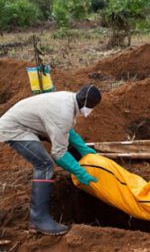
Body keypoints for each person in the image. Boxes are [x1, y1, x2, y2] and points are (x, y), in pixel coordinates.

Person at [0, 85, 102, 235]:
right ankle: (39, 219)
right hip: (15, 129)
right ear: (83, 100)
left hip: (27, 123)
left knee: (45, 163)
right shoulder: (64, 112)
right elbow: (59, 153)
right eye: (91, 107)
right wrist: (80, 172)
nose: (90, 110)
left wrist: (84, 149)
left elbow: (68, 131)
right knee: (45, 164)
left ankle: (39, 219)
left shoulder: (69, 99)